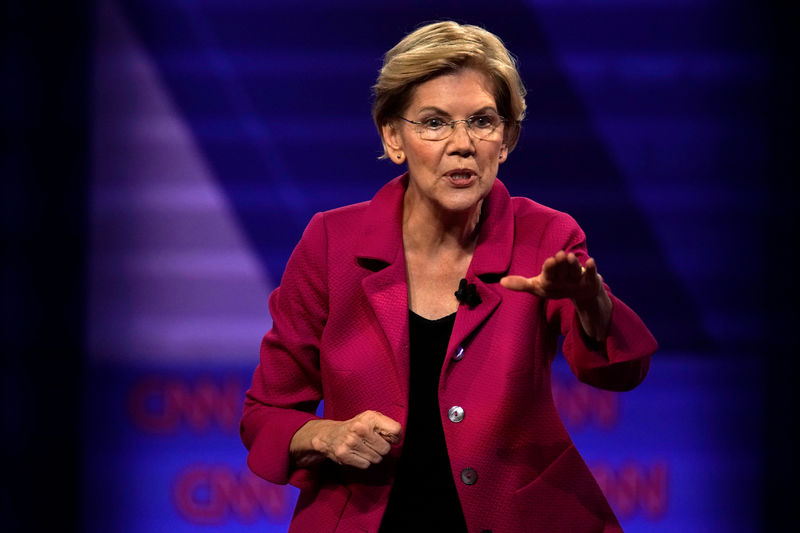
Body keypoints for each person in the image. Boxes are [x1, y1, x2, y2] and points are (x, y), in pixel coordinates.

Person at [240, 21, 657, 533]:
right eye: (435, 123)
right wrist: (326, 436)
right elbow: (267, 413)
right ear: (394, 137)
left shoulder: (546, 236)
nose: (462, 144)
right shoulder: (331, 244)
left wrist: (593, 302)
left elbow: (617, 374)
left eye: (482, 122)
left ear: (505, 141)